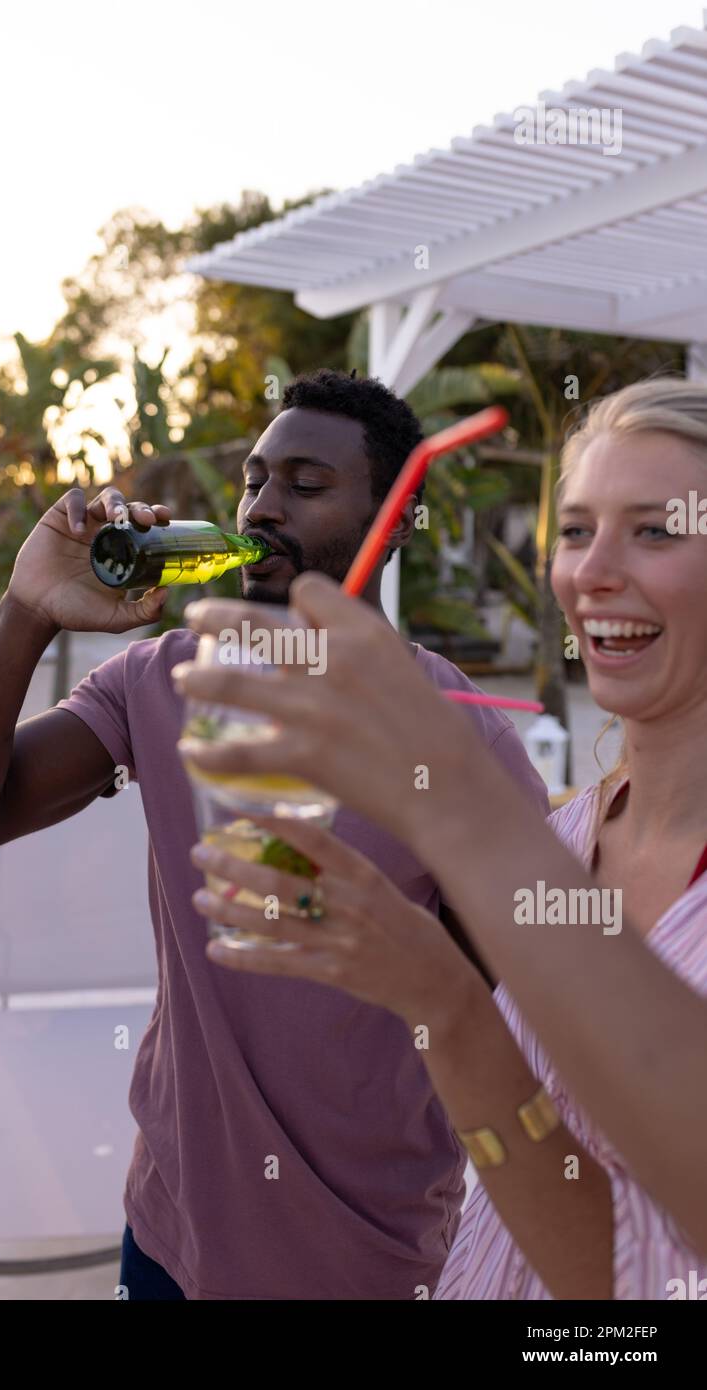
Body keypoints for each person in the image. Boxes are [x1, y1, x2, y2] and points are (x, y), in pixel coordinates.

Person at [0, 369, 547, 1301]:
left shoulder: (459, 732)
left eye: (307, 485)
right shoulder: (162, 679)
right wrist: (29, 611)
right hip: (169, 1235)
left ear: (396, 517)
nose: (265, 507)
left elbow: (512, 1003)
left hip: (363, 1251)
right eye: (254, 480)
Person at [175, 378, 707, 1299]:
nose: (590, 572)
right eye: (576, 530)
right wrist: (423, 982)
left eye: (655, 529)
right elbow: (562, 1194)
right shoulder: (568, 834)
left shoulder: (512, 836)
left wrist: (455, 822)